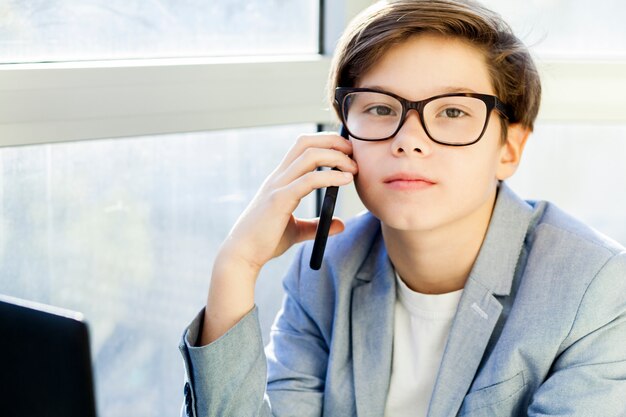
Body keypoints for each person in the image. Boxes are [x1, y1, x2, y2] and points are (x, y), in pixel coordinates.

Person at [179, 0, 626, 416]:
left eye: (453, 112)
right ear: (342, 139)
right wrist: (237, 265)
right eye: (379, 108)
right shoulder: (325, 270)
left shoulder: (597, 287)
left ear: (509, 148)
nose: (408, 139)